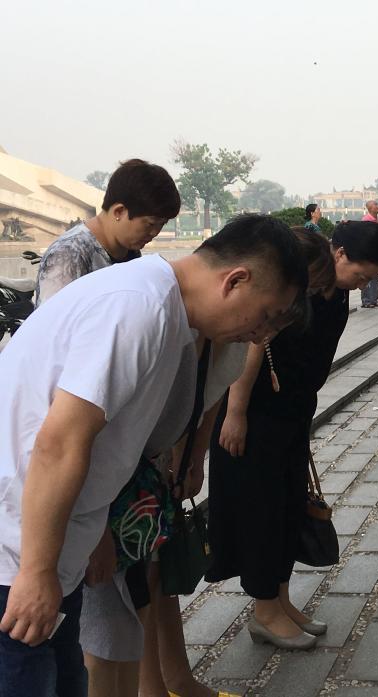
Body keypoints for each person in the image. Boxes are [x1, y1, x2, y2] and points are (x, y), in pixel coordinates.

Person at [0, 214, 307, 697]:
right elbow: (59, 443)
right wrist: (35, 572)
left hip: (52, 544)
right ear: (236, 281)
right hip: (16, 550)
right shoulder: (138, 308)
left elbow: (104, 444)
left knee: (62, 681)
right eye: (267, 316)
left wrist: (92, 526)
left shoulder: (168, 314)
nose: (259, 336)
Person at [31, 159, 186, 697]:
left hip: (113, 458)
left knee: (121, 594)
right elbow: (64, 390)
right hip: (75, 453)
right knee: (86, 607)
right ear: (117, 210)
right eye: (149, 223)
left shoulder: (128, 258)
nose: (154, 235)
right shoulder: (70, 258)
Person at [206, 221, 378, 649]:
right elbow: (254, 344)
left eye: (370, 280)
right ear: (340, 252)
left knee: (288, 506)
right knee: (261, 511)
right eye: (361, 274)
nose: (362, 284)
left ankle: (282, 601)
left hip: (291, 413)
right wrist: (235, 412)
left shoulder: (334, 290)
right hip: (256, 415)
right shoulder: (302, 283)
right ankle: (264, 611)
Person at [34, 158, 180, 307]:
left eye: (162, 224)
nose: (155, 232)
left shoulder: (130, 251)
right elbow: (51, 324)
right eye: (150, 224)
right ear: (119, 211)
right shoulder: (68, 254)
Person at [360, 200, 378, 307]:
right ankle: (366, 301)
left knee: (376, 277)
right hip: (368, 254)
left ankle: (374, 299)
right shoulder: (366, 220)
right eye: (375, 204)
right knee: (367, 277)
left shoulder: (375, 220)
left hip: (376, 254)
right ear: (370, 208)